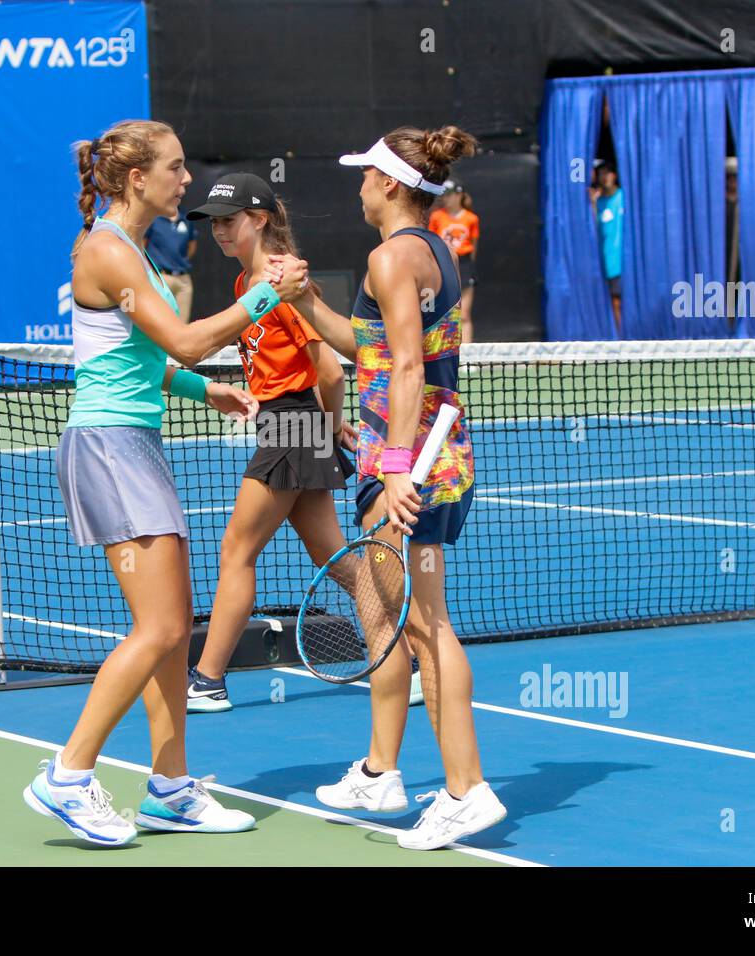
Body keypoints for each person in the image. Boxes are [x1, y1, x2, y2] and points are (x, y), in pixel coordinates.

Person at [22, 119, 309, 846]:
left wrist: (197, 392)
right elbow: (181, 339)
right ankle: (66, 775)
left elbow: (141, 358)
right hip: (109, 447)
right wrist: (266, 295)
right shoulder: (108, 252)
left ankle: (171, 788)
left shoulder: (137, 254)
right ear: (135, 179)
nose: (187, 182)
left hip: (133, 440)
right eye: (176, 169)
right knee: (158, 627)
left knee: (175, 630)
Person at [284, 126, 507, 850]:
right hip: (439, 459)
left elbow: (407, 368)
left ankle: (465, 790)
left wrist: (393, 468)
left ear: (388, 183)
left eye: (363, 175)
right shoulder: (430, 251)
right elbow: (371, 351)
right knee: (411, 616)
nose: (356, 186)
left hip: (411, 468)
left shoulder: (390, 257)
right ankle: (383, 773)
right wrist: (309, 301)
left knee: (424, 623)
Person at [181, 172, 355, 713]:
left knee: (237, 549)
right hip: (287, 424)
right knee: (333, 556)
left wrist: (328, 427)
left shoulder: (284, 287)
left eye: (228, 221)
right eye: (213, 223)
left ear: (258, 219)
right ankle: (412, 650)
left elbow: (330, 371)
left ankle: (207, 679)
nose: (218, 231)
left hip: (293, 424)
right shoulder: (247, 288)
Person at [427, 180, 479, 343]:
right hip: (441, 265)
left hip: (464, 266)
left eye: (449, 196)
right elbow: (431, 242)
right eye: (444, 196)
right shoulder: (437, 216)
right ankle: (442, 350)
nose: (446, 200)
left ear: (459, 195)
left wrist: (467, 267)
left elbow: (473, 246)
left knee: (464, 315)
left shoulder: (471, 219)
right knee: (441, 313)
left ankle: (467, 356)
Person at [589, 161, 624, 334]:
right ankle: (620, 339)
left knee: (622, 300)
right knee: (614, 301)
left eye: (608, 173)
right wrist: (593, 204)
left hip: (623, 262)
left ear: (615, 175)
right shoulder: (599, 202)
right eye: (601, 174)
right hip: (607, 263)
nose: (605, 177)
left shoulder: (623, 197)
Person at [144, 210, 197, 320]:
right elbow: (143, 244)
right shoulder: (154, 220)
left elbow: (192, 245)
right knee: (159, 321)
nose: (180, 192)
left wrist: (179, 262)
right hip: (161, 277)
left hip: (183, 279)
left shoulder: (186, 220)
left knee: (183, 324)